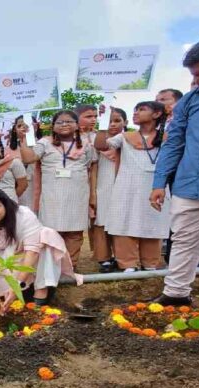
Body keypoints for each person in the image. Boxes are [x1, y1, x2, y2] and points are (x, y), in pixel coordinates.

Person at [148, 35, 199, 306]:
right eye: (196, 74)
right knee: (184, 239)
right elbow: (174, 142)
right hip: (190, 184)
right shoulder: (189, 101)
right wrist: (159, 182)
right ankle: (176, 294)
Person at [0, 188, 83, 322]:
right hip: (12, 256)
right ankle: (16, 292)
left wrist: (16, 286)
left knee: (45, 238)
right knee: (4, 279)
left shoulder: (24, 215)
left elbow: (32, 253)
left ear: (5, 204)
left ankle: (42, 291)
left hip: (36, 253)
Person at [96, 101, 171, 272]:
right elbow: (101, 145)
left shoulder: (169, 137)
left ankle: (150, 263)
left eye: (142, 109)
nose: (136, 112)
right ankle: (127, 263)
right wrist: (103, 120)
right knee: (124, 221)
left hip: (156, 186)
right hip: (126, 187)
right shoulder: (124, 137)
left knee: (153, 221)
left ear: (157, 114)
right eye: (135, 109)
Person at [19, 110, 98, 270]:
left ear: (77, 125)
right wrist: (25, 138)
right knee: (51, 231)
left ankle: (70, 266)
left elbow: (92, 165)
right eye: (59, 122)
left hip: (77, 195)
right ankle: (52, 268)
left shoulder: (86, 143)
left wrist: (93, 195)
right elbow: (29, 158)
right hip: (52, 196)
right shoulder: (45, 143)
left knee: (75, 232)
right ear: (53, 127)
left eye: (68, 121)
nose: (64, 125)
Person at [74, 105, 117, 273]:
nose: (93, 119)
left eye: (94, 116)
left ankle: (108, 257)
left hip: (99, 181)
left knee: (101, 217)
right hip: (75, 182)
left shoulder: (100, 136)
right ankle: (100, 254)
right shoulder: (70, 138)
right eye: (88, 116)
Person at [93, 107, 127, 273]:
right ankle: (104, 258)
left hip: (125, 186)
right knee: (102, 221)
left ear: (125, 122)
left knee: (122, 221)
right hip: (103, 185)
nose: (112, 125)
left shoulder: (130, 140)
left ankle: (124, 258)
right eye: (109, 121)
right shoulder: (97, 140)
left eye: (117, 120)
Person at [5, 115, 42, 210]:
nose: (24, 128)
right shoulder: (7, 150)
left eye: (28, 126)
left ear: (36, 127)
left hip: (39, 185)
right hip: (18, 187)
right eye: (20, 126)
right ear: (14, 129)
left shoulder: (43, 145)